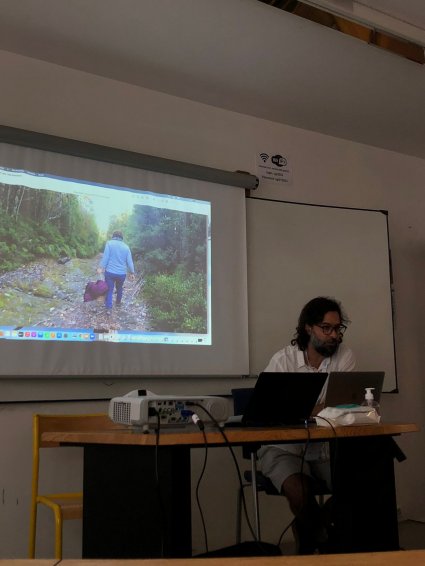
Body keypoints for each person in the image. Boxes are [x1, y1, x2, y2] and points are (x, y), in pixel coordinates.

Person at [257, 296, 355, 554]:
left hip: (326, 446)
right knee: (299, 490)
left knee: (361, 483)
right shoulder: (283, 361)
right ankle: (323, 540)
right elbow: (269, 411)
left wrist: (303, 410)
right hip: (283, 446)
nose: (334, 335)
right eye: (327, 328)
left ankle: (309, 529)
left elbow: (345, 408)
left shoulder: (345, 357)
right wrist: (323, 409)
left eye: (337, 329)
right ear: (308, 328)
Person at [98, 230, 135, 313]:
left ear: (113, 236)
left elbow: (105, 257)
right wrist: (132, 272)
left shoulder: (109, 243)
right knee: (119, 288)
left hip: (110, 272)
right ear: (122, 237)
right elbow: (129, 261)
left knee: (109, 289)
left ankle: (109, 308)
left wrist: (101, 267)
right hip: (121, 274)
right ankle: (118, 303)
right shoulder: (126, 247)